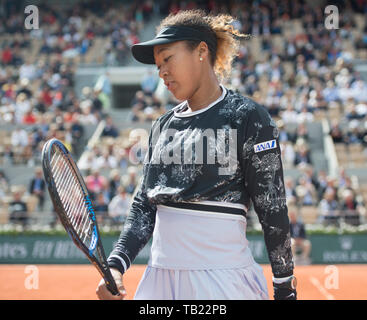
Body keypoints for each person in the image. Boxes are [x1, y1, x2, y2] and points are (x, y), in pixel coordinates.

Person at [96, 9, 296, 300]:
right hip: (159, 279)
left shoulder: (249, 117)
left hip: (223, 280)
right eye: (157, 65)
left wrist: (284, 286)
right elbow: (144, 205)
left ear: (201, 51)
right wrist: (116, 265)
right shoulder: (162, 126)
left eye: (168, 59)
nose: (161, 72)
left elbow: (273, 208)